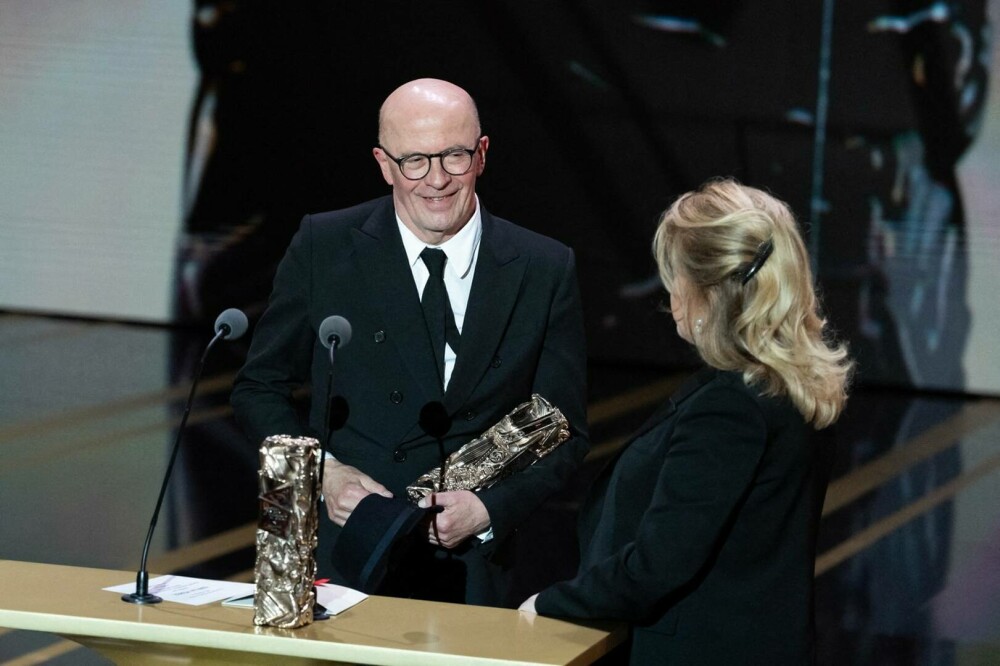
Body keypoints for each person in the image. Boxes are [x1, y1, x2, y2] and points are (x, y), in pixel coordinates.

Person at [230, 78, 589, 607]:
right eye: (415, 161)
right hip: (344, 553)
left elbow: (566, 429)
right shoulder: (325, 247)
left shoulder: (543, 266)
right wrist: (324, 473)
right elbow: (259, 389)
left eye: (454, 156)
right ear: (384, 164)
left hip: (470, 568)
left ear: (482, 154)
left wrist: (490, 509)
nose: (437, 180)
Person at [519, 179, 853, 664]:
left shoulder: (731, 410)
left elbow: (659, 563)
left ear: (708, 293)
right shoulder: (786, 386)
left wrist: (550, 604)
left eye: (674, 276)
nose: (670, 292)